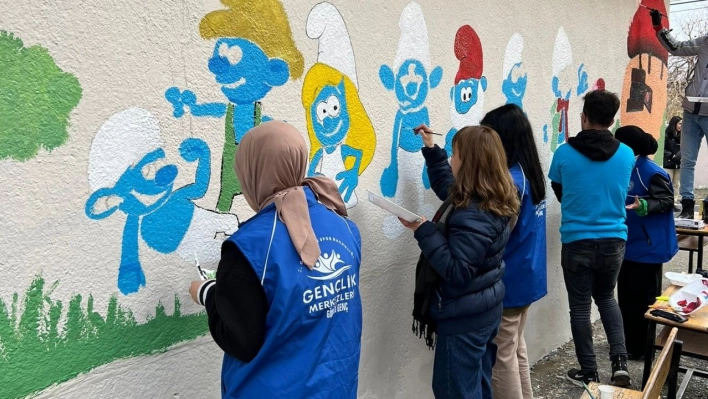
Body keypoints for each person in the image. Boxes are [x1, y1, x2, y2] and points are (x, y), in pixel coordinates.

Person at [188, 121, 363, 398]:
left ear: (253, 173)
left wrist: (207, 293)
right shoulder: (343, 225)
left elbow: (240, 340)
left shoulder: (248, 247)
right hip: (336, 387)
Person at [403, 123, 520, 399]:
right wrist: (433, 150)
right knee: (477, 384)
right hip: (482, 310)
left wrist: (425, 231)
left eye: (454, 154)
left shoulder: (475, 212)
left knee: (454, 391)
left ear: (468, 163)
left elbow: (458, 271)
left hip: (464, 319)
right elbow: (448, 186)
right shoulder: (487, 195)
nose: (451, 159)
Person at [548, 90, 634, 388]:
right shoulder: (626, 153)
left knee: (581, 308)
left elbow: (561, 192)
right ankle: (620, 363)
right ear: (612, 120)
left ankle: (589, 371)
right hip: (614, 240)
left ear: (583, 117)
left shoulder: (563, 153)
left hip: (577, 241)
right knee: (608, 299)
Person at [481, 104, 547, 399]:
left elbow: (493, 237)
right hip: (527, 277)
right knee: (515, 347)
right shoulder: (527, 173)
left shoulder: (509, 182)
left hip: (510, 282)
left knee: (501, 358)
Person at [615, 125, 678, 360]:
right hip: (629, 244)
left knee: (644, 300)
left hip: (649, 246)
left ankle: (644, 348)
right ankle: (630, 344)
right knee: (627, 298)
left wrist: (644, 206)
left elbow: (667, 201)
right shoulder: (624, 167)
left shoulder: (650, 171)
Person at [651, 8, 708, 219]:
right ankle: (686, 204)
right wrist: (659, 27)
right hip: (691, 112)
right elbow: (676, 48)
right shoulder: (705, 41)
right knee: (687, 160)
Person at [663, 116, 682, 211]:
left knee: (676, 184)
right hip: (668, 163)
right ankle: (666, 202)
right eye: (679, 123)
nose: (681, 126)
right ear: (674, 124)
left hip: (679, 163)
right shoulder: (667, 135)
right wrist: (671, 156)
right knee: (667, 182)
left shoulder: (683, 136)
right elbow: (663, 149)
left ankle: (673, 203)